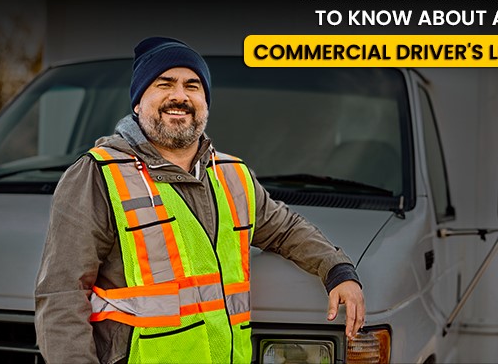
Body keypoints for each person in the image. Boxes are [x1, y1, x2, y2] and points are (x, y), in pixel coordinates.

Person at [34, 36, 365, 364]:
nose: (179, 96)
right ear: (137, 103)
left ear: (205, 103)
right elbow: (62, 296)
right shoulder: (97, 175)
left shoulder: (233, 174)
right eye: (164, 84)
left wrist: (336, 269)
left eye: (192, 86)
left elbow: (286, 229)